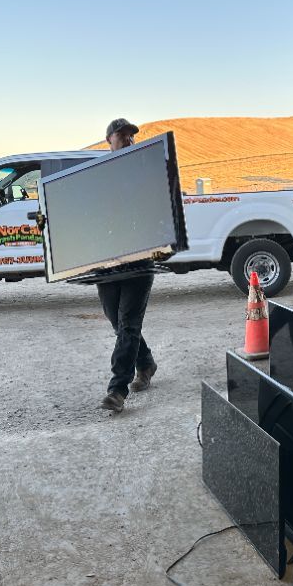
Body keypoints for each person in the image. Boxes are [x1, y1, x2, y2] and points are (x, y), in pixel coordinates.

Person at [97, 118, 158, 413]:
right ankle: (146, 363)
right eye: (123, 135)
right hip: (106, 260)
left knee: (129, 324)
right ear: (109, 139)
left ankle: (117, 389)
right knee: (116, 321)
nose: (129, 140)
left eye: (132, 136)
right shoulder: (95, 176)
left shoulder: (145, 172)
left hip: (139, 258)